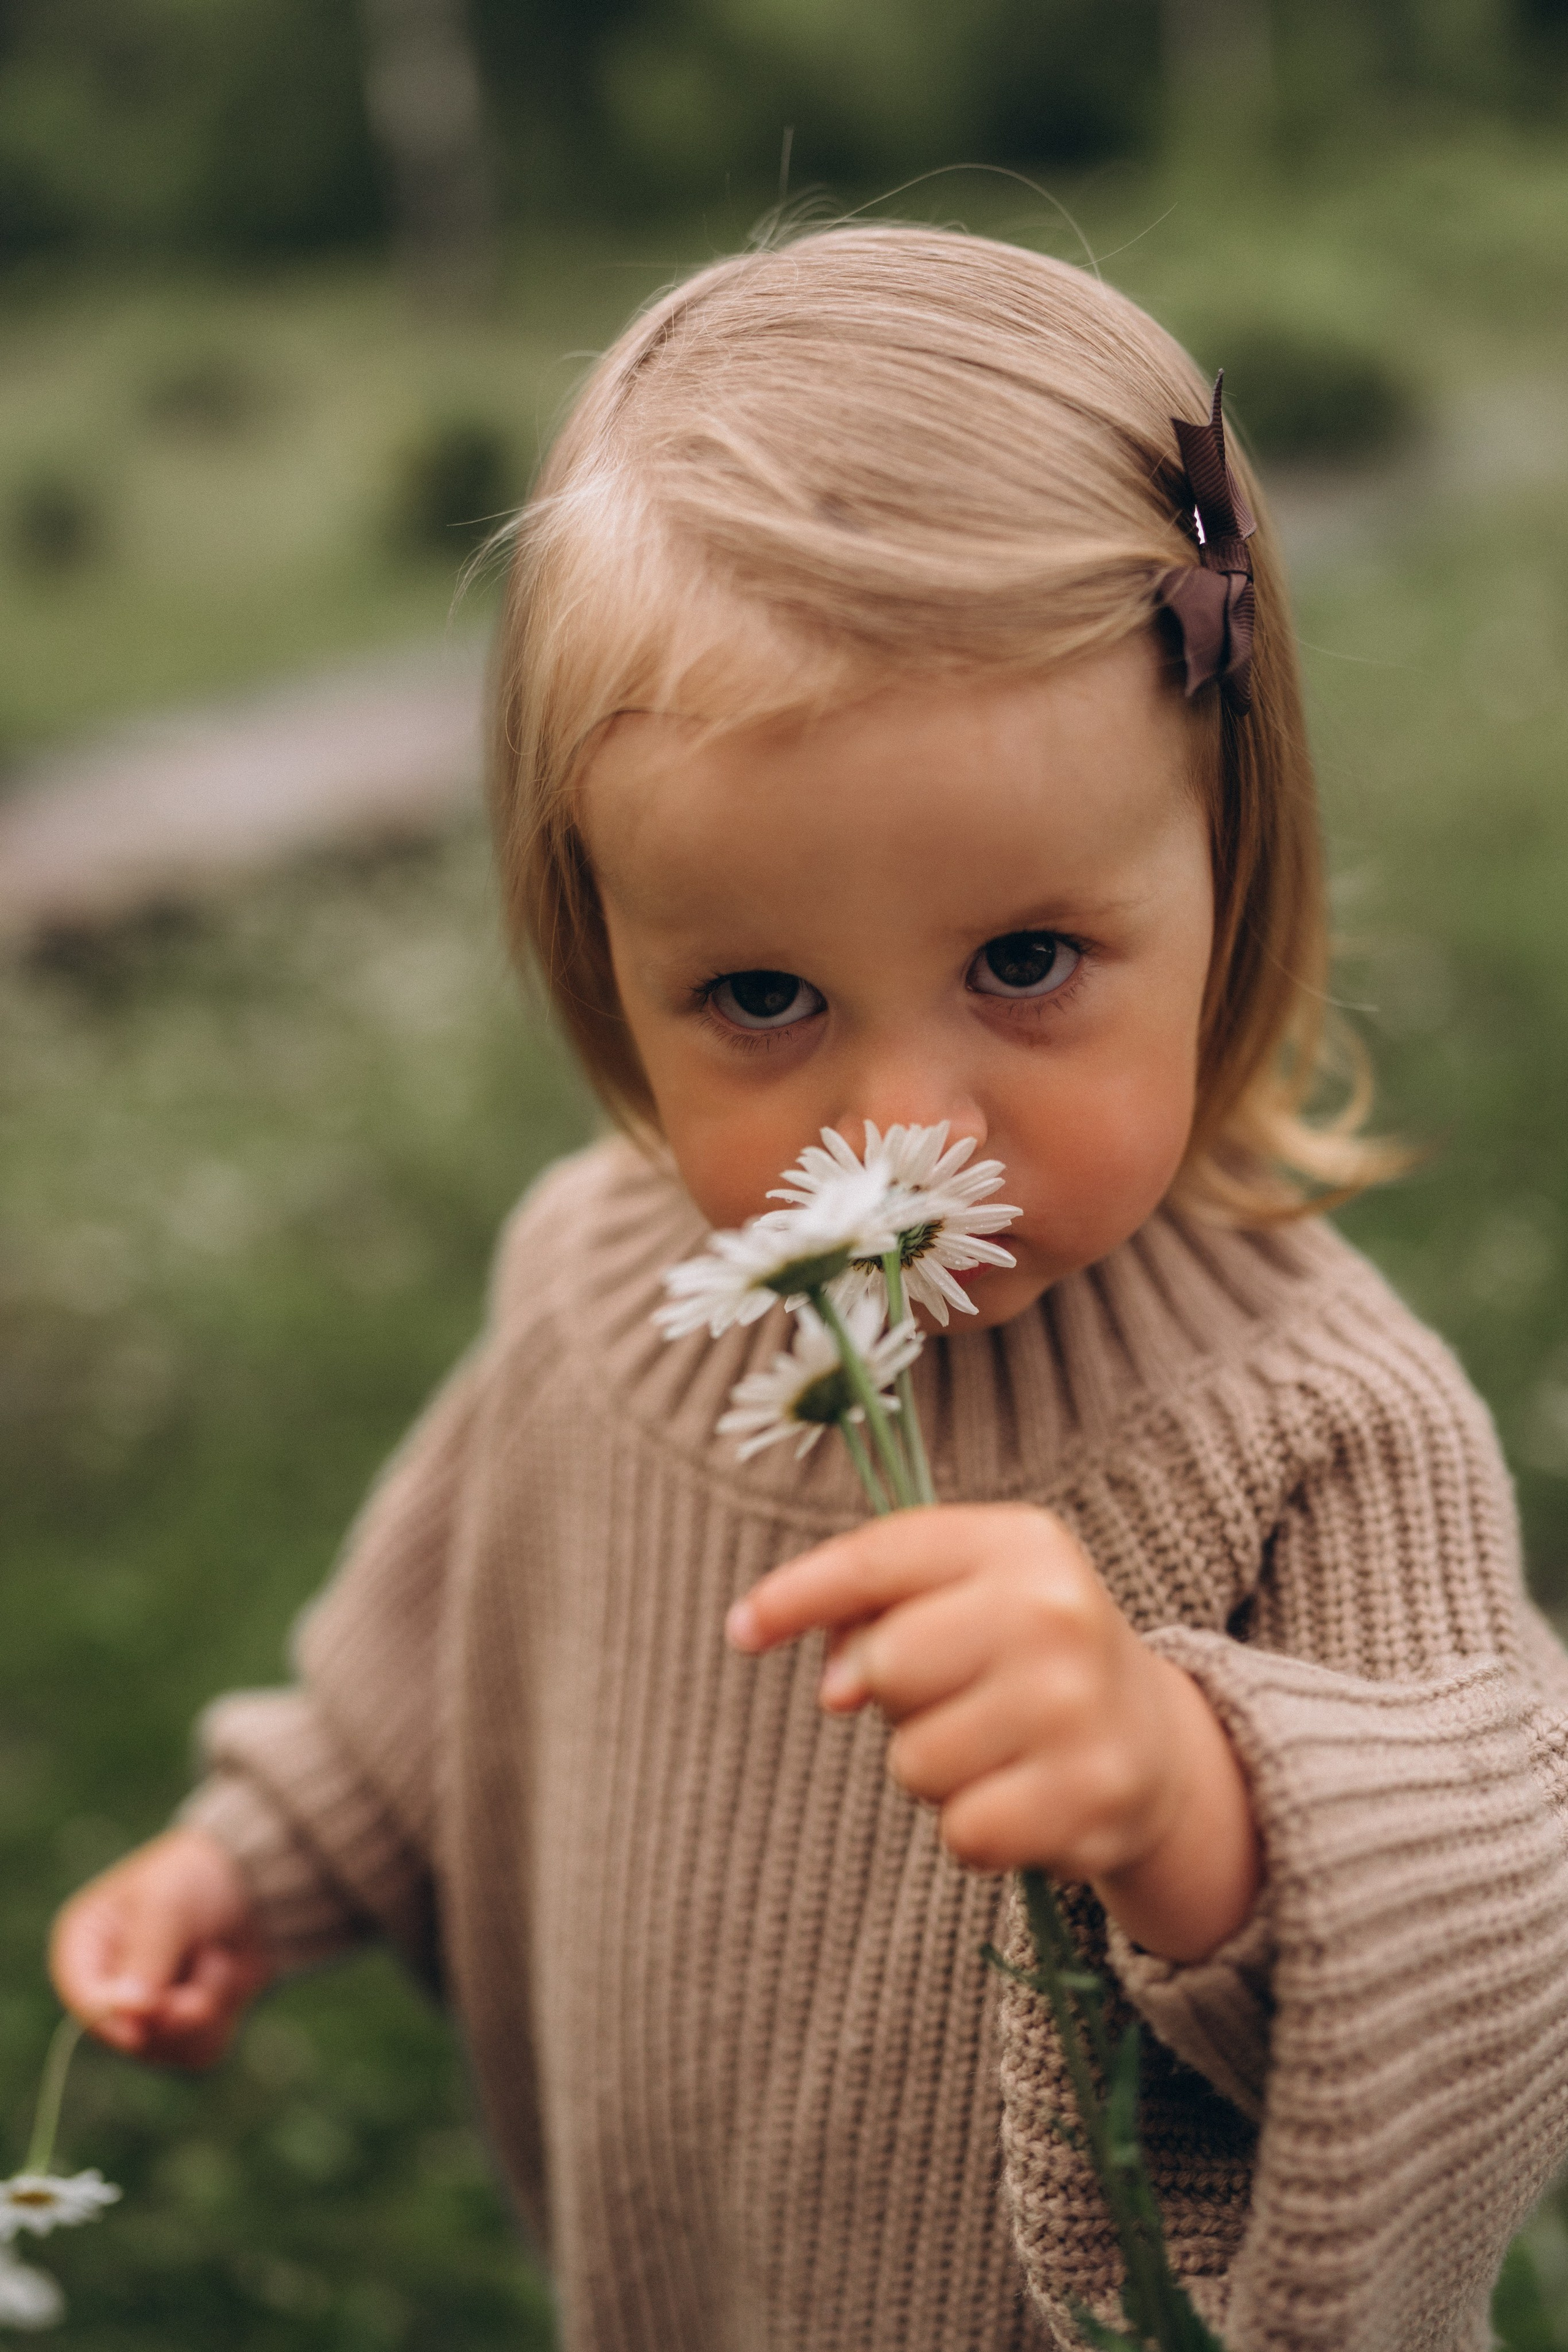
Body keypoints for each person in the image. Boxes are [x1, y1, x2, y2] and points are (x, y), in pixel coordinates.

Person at [48, 225, 1568, 2351]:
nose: (900, 1137)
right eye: (760, 996)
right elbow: (429, 1669)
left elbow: (1506, 1919)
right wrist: (246, 1861)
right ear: (604, 964)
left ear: (1231, 877)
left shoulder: (1321, 1426)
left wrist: (1187, 1796)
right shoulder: (601, 1284)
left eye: (1025, 964)